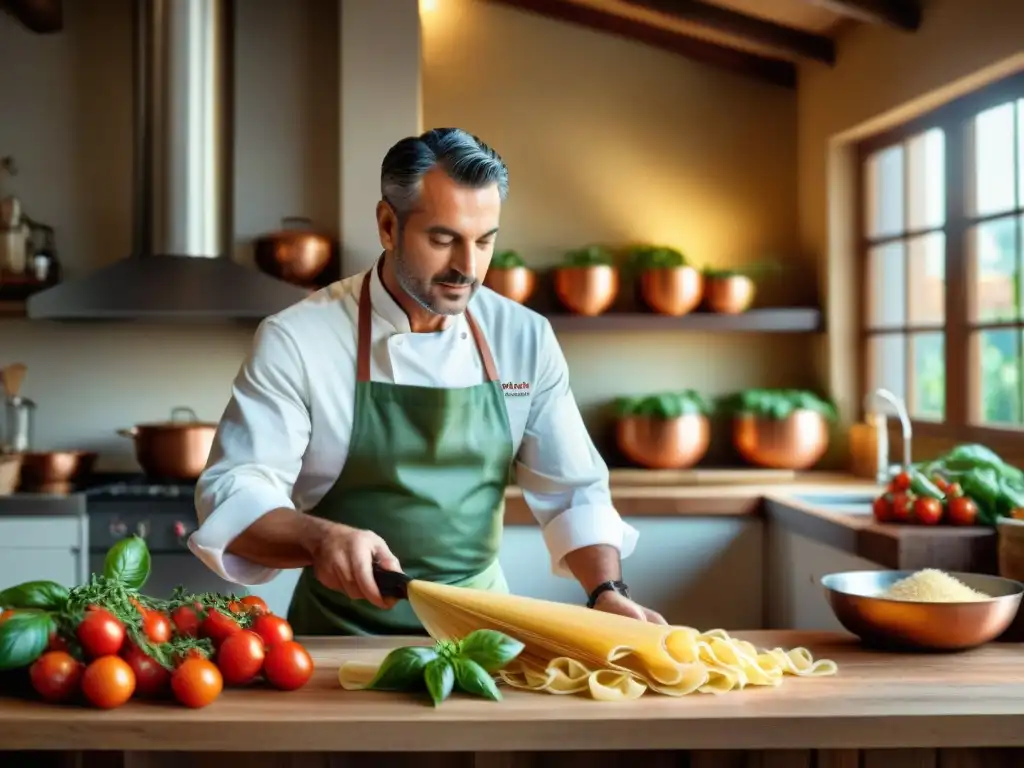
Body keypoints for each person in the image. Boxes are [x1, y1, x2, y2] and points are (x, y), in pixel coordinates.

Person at [189, 127, 665, 635]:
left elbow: (573, 490)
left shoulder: (524, 339)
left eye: (485, 242)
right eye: (443, 240)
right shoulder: (299, 340)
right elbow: (234, 490)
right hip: (338, 643)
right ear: (388, 225)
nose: (467, 267)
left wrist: (606, 592)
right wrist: (318, 537)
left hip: (484, 639)